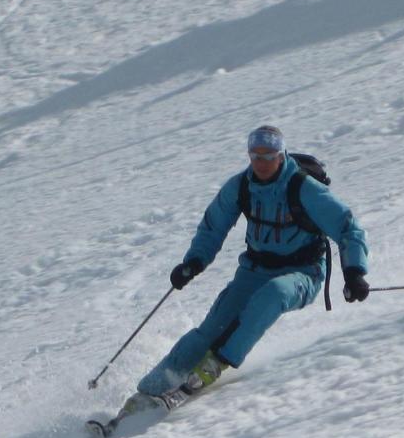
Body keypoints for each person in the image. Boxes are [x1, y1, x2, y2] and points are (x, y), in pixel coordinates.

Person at [122, 125, 369, 414]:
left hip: (304, 272)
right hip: (254, 270)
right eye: (256, 156)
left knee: (273, 294)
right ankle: (145, 394)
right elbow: (213, 225)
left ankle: (212, 368)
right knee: (209, 331)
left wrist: (354, 273)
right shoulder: (241, 186)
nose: (262, 163)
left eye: (269, 156)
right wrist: (193, 262)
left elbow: (348, 227)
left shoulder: (303, 188)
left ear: (281, 155)